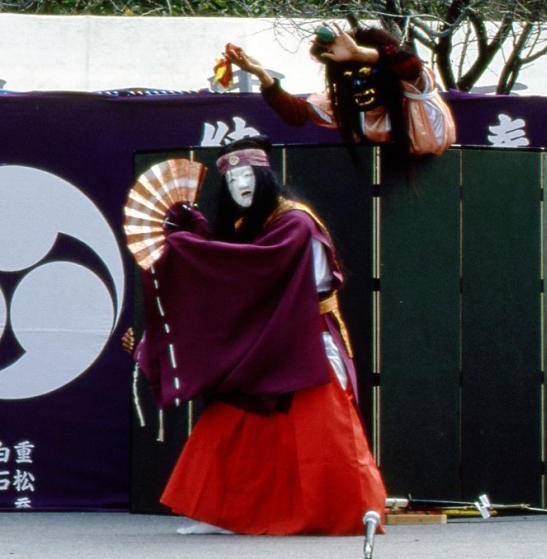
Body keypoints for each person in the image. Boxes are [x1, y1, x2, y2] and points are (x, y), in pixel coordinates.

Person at [133, 134, 386, 535]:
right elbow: (236, 269)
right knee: (233, 418)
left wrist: (191, 251)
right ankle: (225, 512)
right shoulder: (252, 223)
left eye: (248, 176)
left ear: (265, 176)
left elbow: (252, 268)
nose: (241, 186)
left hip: (304, 336)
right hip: (270, 330)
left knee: (319, 429)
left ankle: (340, 509)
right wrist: (199, 235)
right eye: (232, 181)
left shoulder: (295, 222)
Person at [225, 24, 456, 157]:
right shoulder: (349, 108)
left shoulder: (414, 90)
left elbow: (410, 64)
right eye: (348, 77)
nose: (357, 84)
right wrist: (261, 74)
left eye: (364, 74)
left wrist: (360, 54)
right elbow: (296, 112)